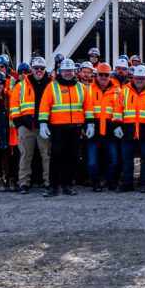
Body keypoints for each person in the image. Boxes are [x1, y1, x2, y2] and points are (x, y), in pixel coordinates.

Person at [37, 59, 89, 197]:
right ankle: (53, 187)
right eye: (65, 71)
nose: (67, 73)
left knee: (72, 157)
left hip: (75, 127)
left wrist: (90, 124)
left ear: (74, 72)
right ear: (60, 71)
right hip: (58, 128)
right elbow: (44, 107)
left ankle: (69, 186)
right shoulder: (52, 87)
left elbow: (88, 108)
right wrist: (42, 124)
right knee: (56, 157)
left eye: (70, 71)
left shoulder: (81, 88)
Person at [114, 65, 145, 193]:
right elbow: (118, 109)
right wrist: (117, 125)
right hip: (128, 130)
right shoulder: (124, 91)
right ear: (133, 78)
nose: (139, 81)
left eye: (142, 78)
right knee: (127, 158)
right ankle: (127, 184)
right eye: (137, 78)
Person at [10, 56, 53, 194]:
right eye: (36, 68)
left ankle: (48, 182)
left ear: (45, 69)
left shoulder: (52, 84)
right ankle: (23, 183)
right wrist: (19, 124)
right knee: (25, 155)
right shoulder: (21, 85)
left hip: (45, 126)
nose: (39, 71)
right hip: (26, 126)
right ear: (31, 69)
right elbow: (14, 105)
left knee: (46, 155)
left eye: (42, 68)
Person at [86, 63, 117, 192]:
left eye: (106, 75)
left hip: (110, 132)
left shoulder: (117, 91)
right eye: (101, 74)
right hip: (93, 131)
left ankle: (112, 183)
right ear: (96, 75)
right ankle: (96, 183)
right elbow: (85, 109)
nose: (103, 77)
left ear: (110, 75)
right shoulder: (88, 89)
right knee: (92, 161)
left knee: (113, 160)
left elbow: (119, 110)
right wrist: (88, 125)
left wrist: (117, 126)